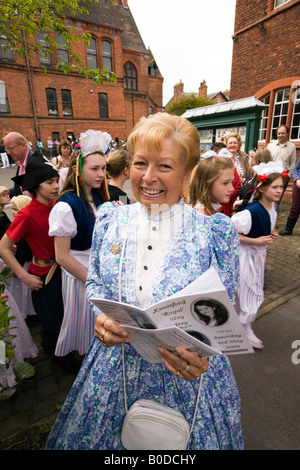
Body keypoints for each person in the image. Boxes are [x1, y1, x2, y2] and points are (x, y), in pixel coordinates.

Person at [46, 113, 243, 450]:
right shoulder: (110, 219)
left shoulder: (214, 233)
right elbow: (96, 284)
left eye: (164, 166)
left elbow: (221, 315)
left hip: (187, 381)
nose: (148, 177)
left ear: (187, 172)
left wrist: (202, 357)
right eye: (140, 163)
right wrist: (102, 320)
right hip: (115, 372)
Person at [0, 156, 78, 373]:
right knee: (54, 319)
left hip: (65, 272)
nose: (56, 186)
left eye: (56, 181)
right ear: (35, 187)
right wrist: (23, 276)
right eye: (49, 183)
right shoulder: (26, 214)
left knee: (63, 316)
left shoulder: (60, 206)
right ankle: (59, 356)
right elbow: (3, 246)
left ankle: (53, 345)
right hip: (44, 276)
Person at [48, 130, 110, 357]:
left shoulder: (100, 197)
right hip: (79, 277)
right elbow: (62, 257)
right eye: (94, 169)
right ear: (77, 169)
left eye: (103, 168)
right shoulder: (66, 206)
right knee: (85, 325)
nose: (101, 174)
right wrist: (91, 280)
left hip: (98, 274)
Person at [231, 161, 286, 349]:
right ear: (262, 189)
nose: (279, 191)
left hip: (259, 257)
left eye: (281, 187)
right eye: (275, 187)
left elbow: (264, 227)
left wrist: (271, 235)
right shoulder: (250, 213)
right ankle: (244, 329)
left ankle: (241, 326)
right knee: (248, 292)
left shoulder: (274, 209)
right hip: (245, 256)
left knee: (252, 291)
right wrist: (255, 241)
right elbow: (229, 232)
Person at [6, 195, 36, 319]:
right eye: (12, 209)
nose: (13, 212)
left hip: (24, 265)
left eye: (16, 209)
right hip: (19, 264)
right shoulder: (16, 225)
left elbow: (24, 251)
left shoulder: (26, 226)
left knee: (25, 295)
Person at [233, 147, 273, 212]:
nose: (248, 160)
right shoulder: (251, 175)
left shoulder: (262, 179)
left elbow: (260, 200)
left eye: (249, 157)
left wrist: (242, 202)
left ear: (255, 160)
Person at [3, 132, 40, 197]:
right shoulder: (21, 163)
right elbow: (21, 190)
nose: (8, 152)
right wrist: (4, 193)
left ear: (22, 145)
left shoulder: (37, 164)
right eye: (6, 149)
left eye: (10, 148)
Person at [267, 125, 297, 202]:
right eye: (279, 133)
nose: (280, 135)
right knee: (268, 195)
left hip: (284, 176)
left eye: (283, 133)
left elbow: (292, 162)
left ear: (287, 134)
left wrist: (289, 175)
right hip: (271, 175)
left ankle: (275, 212)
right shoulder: (270, 146)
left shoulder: (292, 147)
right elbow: (266, 160)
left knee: (277, 198)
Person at [279, 156, 300, 235]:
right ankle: (288, 229)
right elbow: (296, 169)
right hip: (298, 184)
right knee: (295, 207)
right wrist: (297, 179)